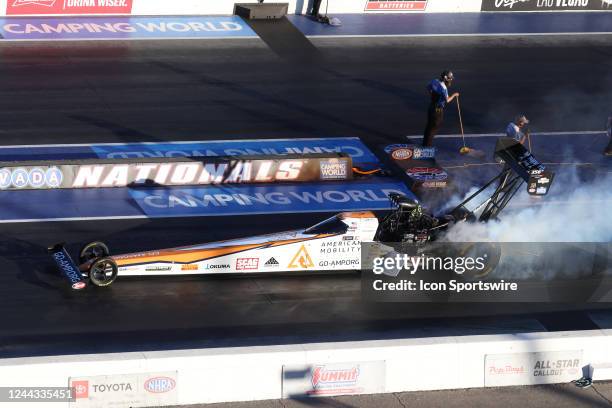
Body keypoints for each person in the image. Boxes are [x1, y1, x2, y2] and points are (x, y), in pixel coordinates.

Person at [422, 70, 460, 147]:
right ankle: (427, 147)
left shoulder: (435, 81)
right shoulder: (444, 88)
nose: (451, 80)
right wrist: (454, 95)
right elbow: (447, 100)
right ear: (446, 78)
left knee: (429, 126)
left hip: (431, 107)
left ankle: (424, 144)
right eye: (450, 78)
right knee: (433, 128)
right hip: (438, 111)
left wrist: (432, 95)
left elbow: (428, 87)